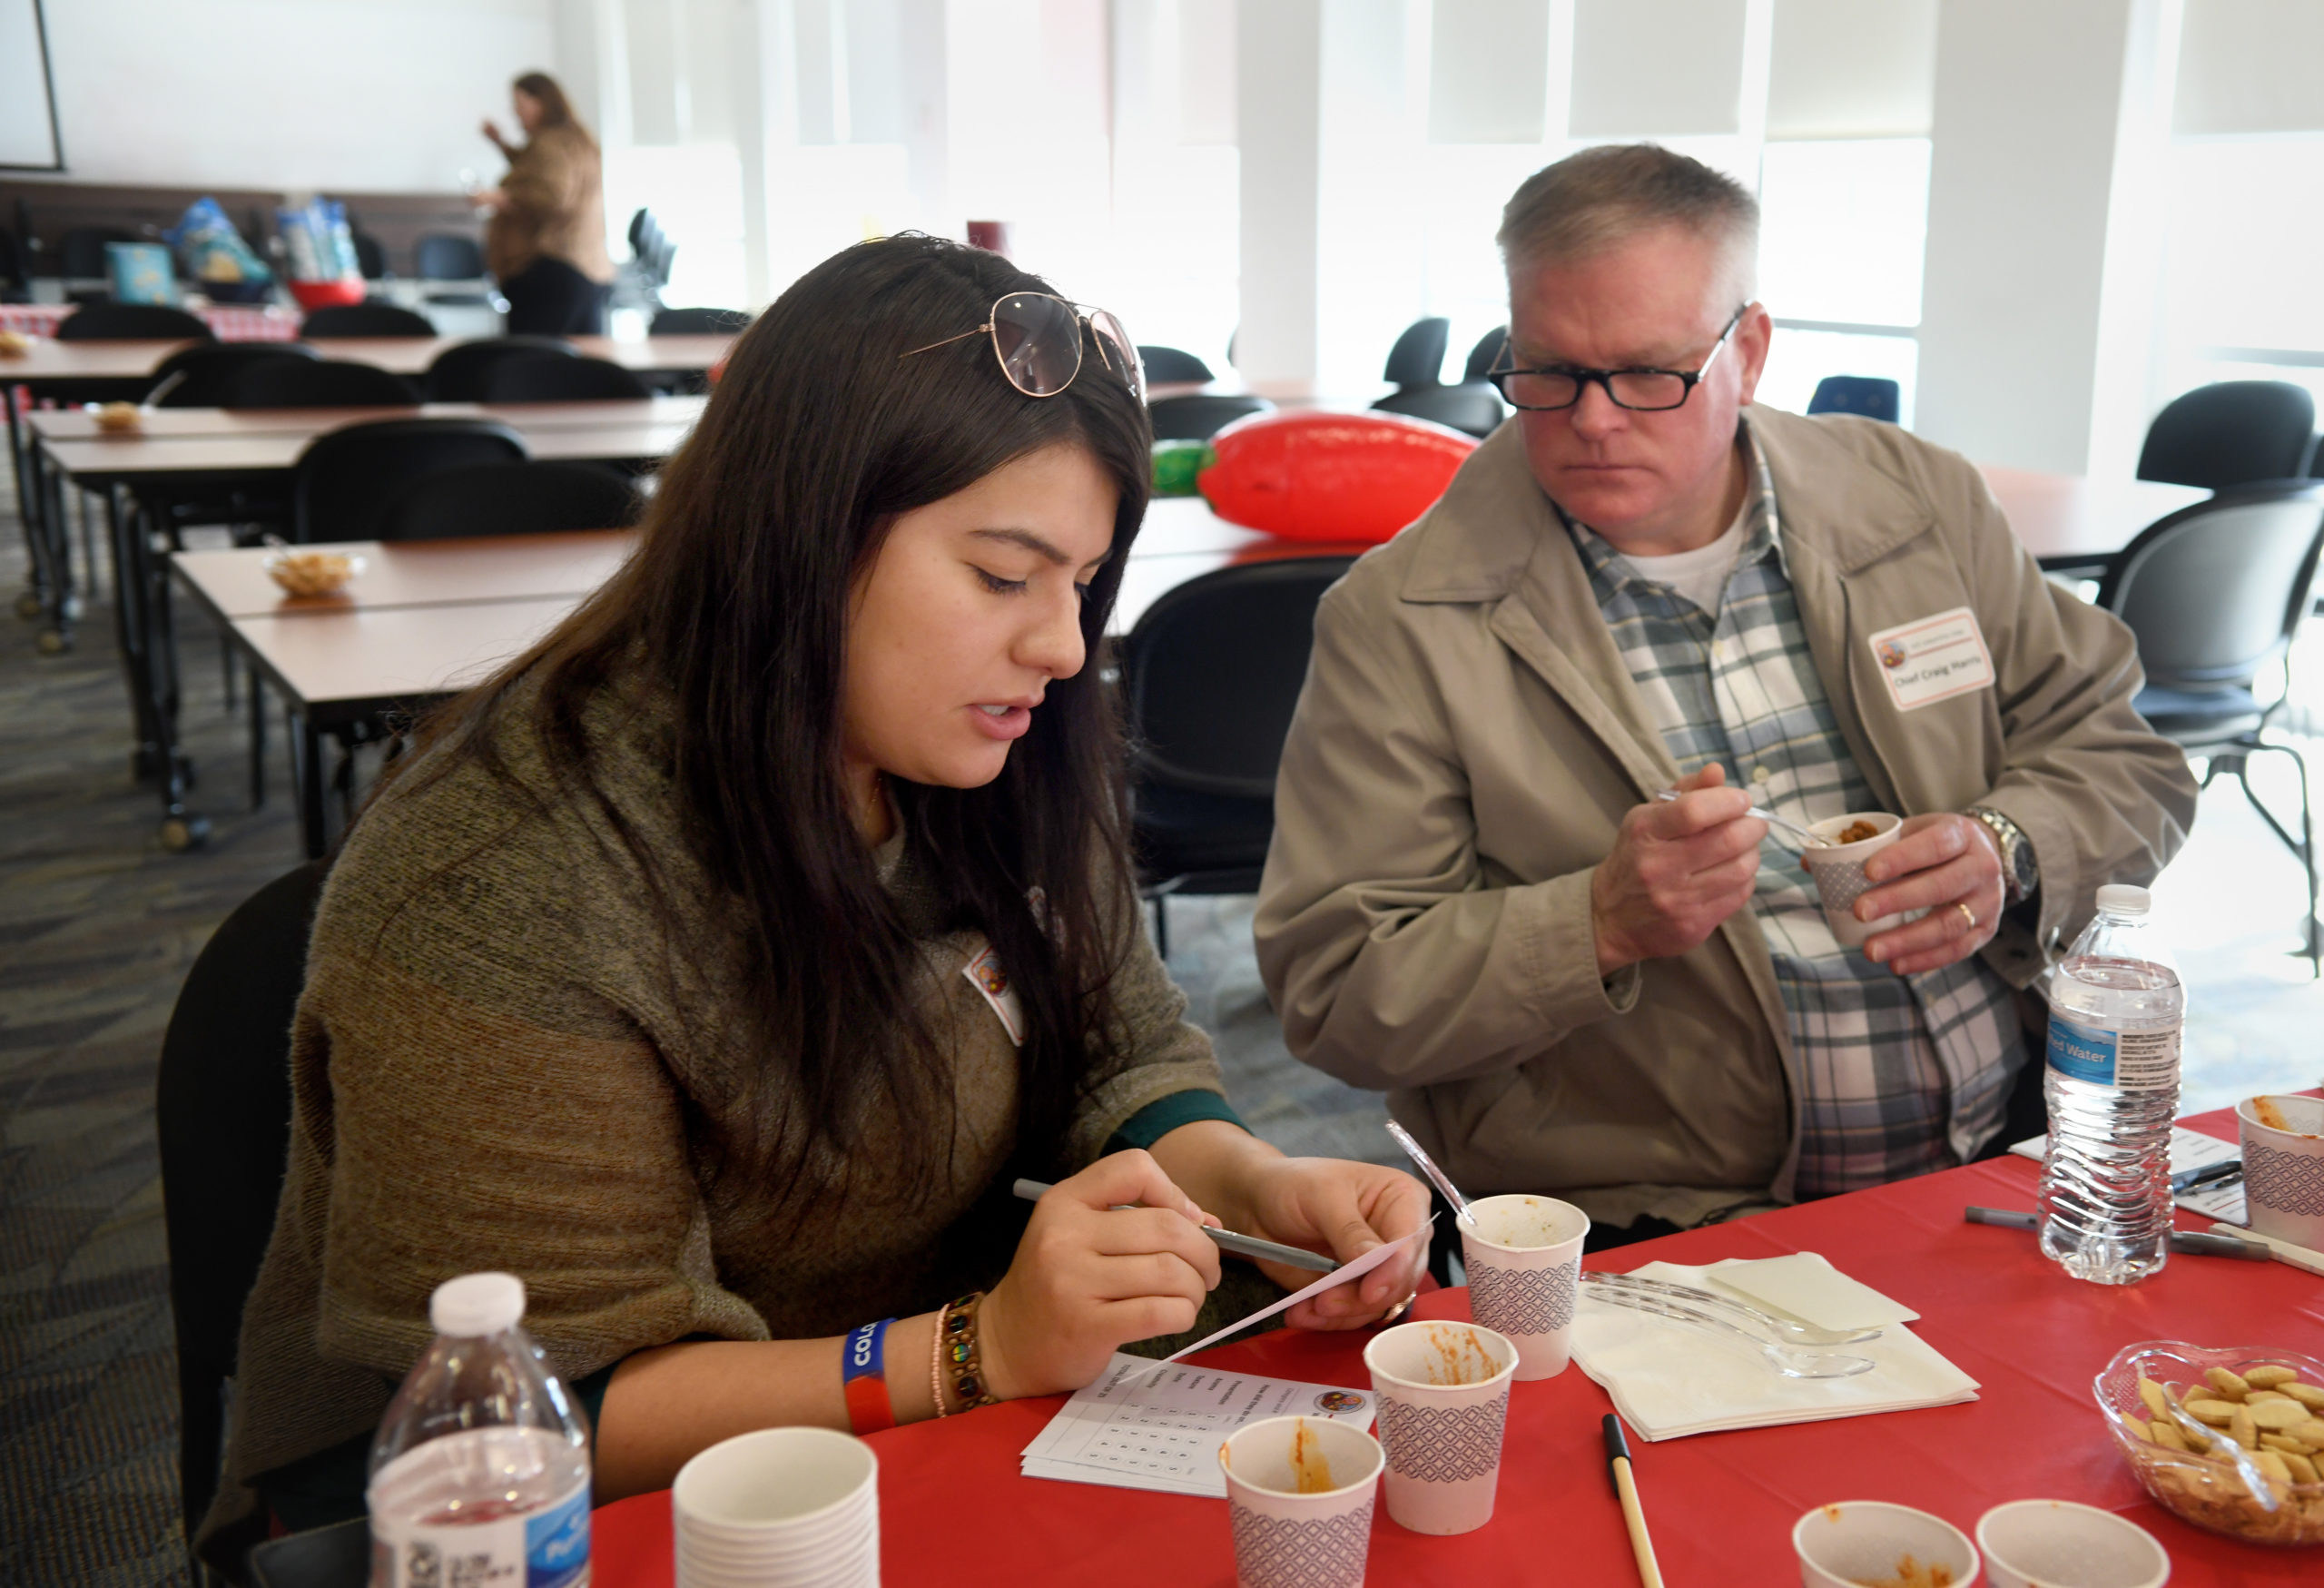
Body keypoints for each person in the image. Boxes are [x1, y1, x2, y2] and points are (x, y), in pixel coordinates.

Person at [199, 236, 1427, 1563]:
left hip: (915, 1438)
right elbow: (548, 1402)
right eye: (1003, 577)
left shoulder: (988, 755)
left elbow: (1124, 1051)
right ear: (799, 532)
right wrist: (976, 1350)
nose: (1063, 648)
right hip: (531, 1511)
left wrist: (1257, 1184)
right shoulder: (509, 873)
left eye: (1081, 584)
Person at [1255, 144, 2198, 1247]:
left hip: (2008, 1171)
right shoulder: (1405, 617)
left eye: (1651, 373)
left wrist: (2008, 844)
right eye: (1549, 373)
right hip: (1667, 1226)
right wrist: (1595, 923)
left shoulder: (1912, 503)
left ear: (1747, 351)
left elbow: (2125, 759)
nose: (1594, 420)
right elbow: (1338, 988)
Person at [477, 72, 615, 334]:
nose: (515, 112)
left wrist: (500, 198)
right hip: (585, 267)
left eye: (519, 103)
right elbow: (538, 171)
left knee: (533, 362)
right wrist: (501, 145)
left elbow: (552, 196)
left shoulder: (549, 142)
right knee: (581, 362)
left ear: (539, 101)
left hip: (550, 266)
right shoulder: (574, 139)